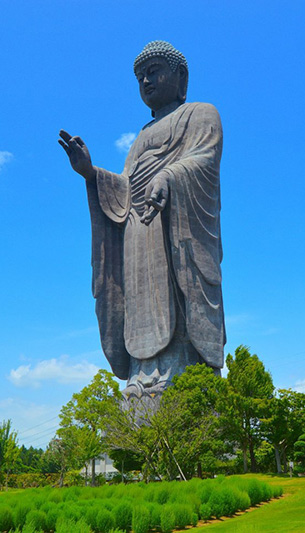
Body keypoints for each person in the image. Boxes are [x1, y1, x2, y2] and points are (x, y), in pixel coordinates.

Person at [59, 40, 225, 398]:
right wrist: (91, 174)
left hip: (174, 230)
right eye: (140, 77)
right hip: (139, 233)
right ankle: (142, 373)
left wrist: (168, 176)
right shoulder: (140, 137)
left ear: (180, 77)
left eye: (154, 72)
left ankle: (181, 369)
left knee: (175, 299)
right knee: (139, 303)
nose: (146, 82)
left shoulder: (200, 113)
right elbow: (125, 187)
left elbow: (204, 158)